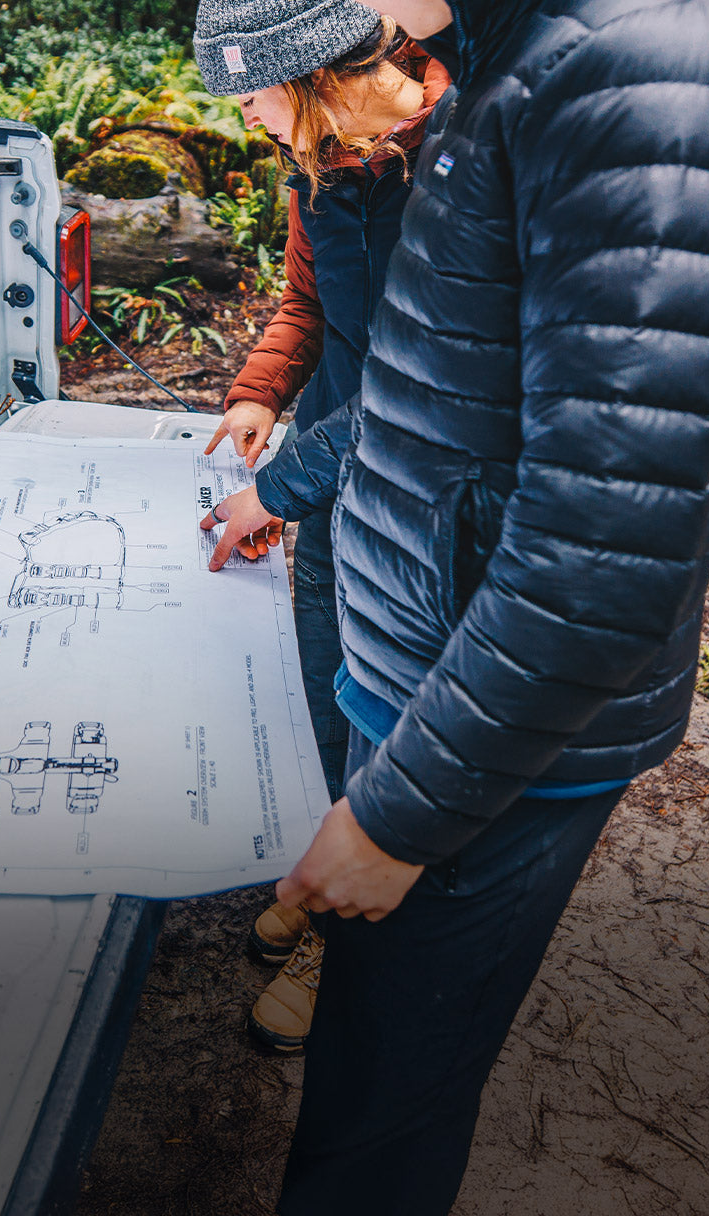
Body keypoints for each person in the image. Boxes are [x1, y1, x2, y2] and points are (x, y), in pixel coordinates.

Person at [200, 0, 709, 1216]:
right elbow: (426, 377)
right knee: (376, 976)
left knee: (406, 1037)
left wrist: (400, 810)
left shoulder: (656, 69)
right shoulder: (517, 46)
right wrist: (298, 480)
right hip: (418, 635)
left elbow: (598, 549)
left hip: (491, 711)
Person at [194, 0, 450, 1055]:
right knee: (319, 679)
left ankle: (347, 944)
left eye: (249, 91)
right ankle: (319, 870)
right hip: (334, 478)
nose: (245, 116)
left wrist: (276, 489)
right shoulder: (318, 161)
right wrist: (261, 390)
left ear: (304, 78)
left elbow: (412, 383)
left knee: (385, 709)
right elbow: (310, 304)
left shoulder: (445, 174)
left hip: (424, 500)